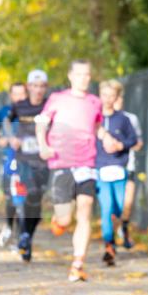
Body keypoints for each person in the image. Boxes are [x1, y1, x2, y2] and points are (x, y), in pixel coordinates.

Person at [35, 60, 102, 282]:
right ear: (71, 76)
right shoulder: (57, 99)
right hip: (61, 163)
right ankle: (59, 220)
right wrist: (43, 145)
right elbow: (42, 123)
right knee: (65, 220)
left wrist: (108, 138)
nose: (84, 78)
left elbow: (97, 128)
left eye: (87, 75)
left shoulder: (95, 102)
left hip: (86, 163)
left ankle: (77, 263)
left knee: (85, 210)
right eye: (79, 74)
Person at [6, 69, 51, 263]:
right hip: (23, 158)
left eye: (42, 86)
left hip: (43, 160)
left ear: (45, 88)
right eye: (34, 86)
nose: (38, 90)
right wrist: (11, 137)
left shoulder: (50, 106)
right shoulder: (19, 106)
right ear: (28, 86)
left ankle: (26, 238)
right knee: (28, 196)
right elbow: (7, 121)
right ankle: (24, 236)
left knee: (37, 205)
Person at [95, 80, 138, 266]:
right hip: (100, 170)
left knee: (119, 208)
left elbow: (133, 139)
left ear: (116, 98)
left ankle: (117, 231)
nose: (107, 99)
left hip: (119, 169)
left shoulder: (123, 119)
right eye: (104, 95)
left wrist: (121, 145)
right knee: (106, 208)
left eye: (111, 96)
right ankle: (109, 245)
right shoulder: (94, 120)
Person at [0, 82, 28, 249]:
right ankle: (8, 226)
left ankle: (21, 238)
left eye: (22, 94)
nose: (19, 97)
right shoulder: (4, 112)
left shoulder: (32, 111)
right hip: (9, 160)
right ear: (11, 95)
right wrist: (1, 140)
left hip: (29, 161)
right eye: (16, 94)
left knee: (23, 200)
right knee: (12, 200)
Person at [113, 94, 143, 249]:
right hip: (110, 167)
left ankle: (124, 229)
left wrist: (124, 144)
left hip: (127, 166)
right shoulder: (104, 119)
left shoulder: (131, 118)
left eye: (120, 99)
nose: (117, 102)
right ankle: (110, 237)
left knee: (127, 202)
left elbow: (138, 142)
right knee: (112, 205)